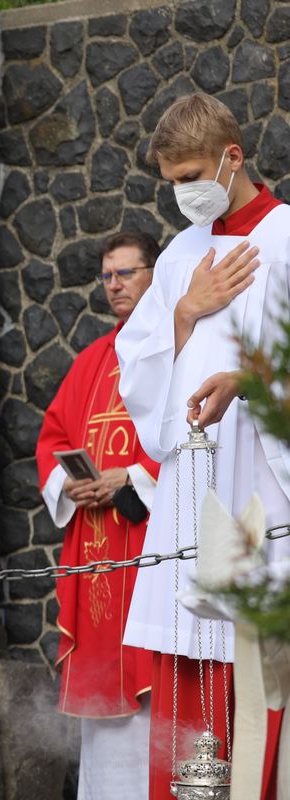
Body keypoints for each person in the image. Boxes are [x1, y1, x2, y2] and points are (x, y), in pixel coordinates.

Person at [116, 92, 290, 799]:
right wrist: (187, 310)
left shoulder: (285, 239)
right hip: (193, 493)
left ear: (232, 156)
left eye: (193, 175)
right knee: (192, 691)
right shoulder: (182, 256)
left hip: (262, 486)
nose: (186, 193)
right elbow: (142, 375)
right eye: (174, 182)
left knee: (260, 675)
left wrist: (253, 380)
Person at [35, 231, 161, 799]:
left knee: (154, 693)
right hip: (94, 549)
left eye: (127, 273)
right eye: (108, 276)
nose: (114, 286)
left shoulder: (174, 349)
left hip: (149, 550)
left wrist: (129, 481)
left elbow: (186, 440)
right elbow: (53, 435)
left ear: (155, 275)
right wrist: (72, 481)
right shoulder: (91, 360)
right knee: (104, 724)